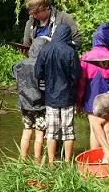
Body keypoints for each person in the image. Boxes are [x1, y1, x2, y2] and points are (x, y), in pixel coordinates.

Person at [34, 24, 81, 164]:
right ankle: (67, 162)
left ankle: (51, 161)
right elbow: (77, 75)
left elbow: (37, 73)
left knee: (51, 132)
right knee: (68, 132)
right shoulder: (71, 52)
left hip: (50, 97)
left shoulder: (45, 50)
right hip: (67, 96)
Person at [78, 23, 109, 149]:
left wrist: (79, 101)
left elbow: (81, 81)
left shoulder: (86, 57)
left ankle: (96, 158)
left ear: (95, 38)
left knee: (95, 130)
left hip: (91, 98)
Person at [11, 37, 50, 165]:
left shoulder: (20, 64)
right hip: (41, 106)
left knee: (26, 132)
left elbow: (13, 73)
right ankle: (37, 163)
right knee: (39, 135)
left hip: (25, 105)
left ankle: (22, 161)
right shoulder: (43, 66)